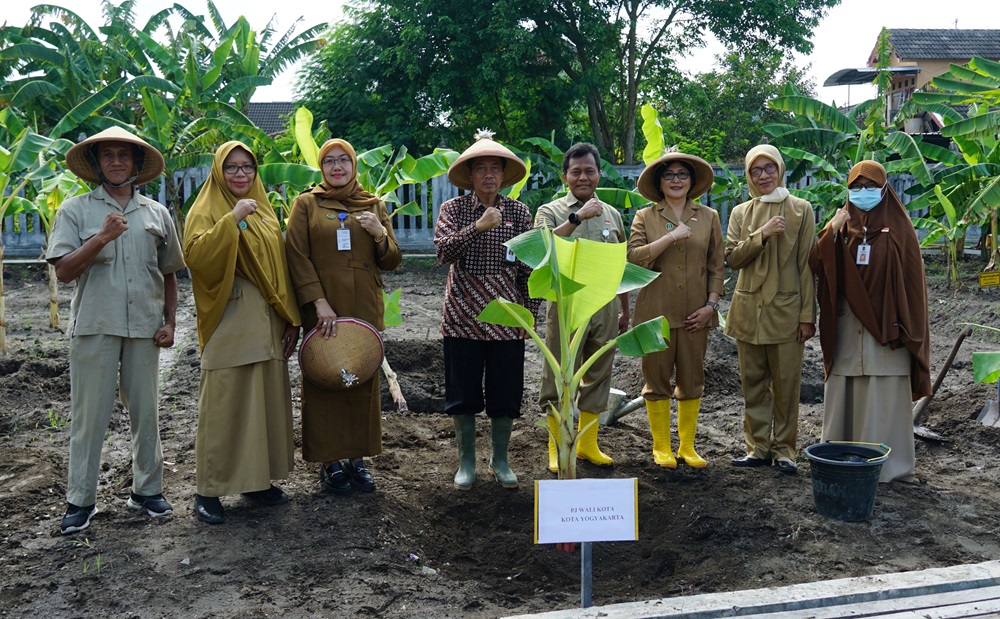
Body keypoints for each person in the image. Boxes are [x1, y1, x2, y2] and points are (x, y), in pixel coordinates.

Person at [47, 127, 185, 534]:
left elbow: (170, 273)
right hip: (96, 326)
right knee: (90, 416)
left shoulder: (157, 214)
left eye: (125, 155)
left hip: (144, 327)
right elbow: (65, 270)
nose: (117, 161)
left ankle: (147, 490)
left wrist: (171, 322)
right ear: (97, 164)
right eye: (108, 155)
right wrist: (102, 237)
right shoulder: (75, 210)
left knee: (146, 412)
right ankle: (80, 500)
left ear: (137, 165)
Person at [183, 141, 302, 524]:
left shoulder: (264, 209)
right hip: (229, 319)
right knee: (224, 404)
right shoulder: (207, 208)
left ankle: (256, 482)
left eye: (247, 167)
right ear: (219, 171)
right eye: (232, 167)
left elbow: (280, 268)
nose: (240, 174)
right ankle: (209, 489)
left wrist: (291, 318)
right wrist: (231, 220)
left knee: (263, 402)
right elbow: (196, 257)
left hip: (267, 321)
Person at [285, 139, 402, 495]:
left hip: (363, 305)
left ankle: (357, 459)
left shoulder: (373, 205)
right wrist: (317, 301)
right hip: (325, 307)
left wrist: (380, 234)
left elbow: (392, 260)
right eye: (329, 162)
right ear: (321, 168)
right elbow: (296, 255)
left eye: (344, 161)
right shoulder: (307, 203)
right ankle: (330, 461)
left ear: (354, 165)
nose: (337, 167)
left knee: (360, 380)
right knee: (325, 376)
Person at [810, 160, 931, 483]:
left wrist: (907, 327)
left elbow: (912, 285)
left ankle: (891, 467)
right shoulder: (840, 227)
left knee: (884, 396)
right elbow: (816, 264)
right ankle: (840, 459)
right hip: (848, 326)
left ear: (884, 189)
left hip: (888, 330)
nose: (863, 193)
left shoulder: (900, 229)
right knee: (845, 390)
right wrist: (832, 229)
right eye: (856, 188)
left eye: (870, 187)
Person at [434, 130, 540, 490]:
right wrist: (478, 227)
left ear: (504, 175)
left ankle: (500, 459)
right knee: (462, 392)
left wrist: (531, 313)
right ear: (470, 176)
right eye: (481, 169)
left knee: (505, 391)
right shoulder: (454, 209)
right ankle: (466, 462)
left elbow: (529, 267)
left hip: (507, 318)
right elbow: (443, 252)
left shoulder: (519, 212)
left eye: (496, 168)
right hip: (462, 314)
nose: (489, 175)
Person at [535, 142, 630, 472]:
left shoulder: (613, 215)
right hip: (566, 306)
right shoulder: (551, 210)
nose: (583, 177)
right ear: (565, 177)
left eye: (589, 170)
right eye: (576, 172)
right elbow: (542, 249)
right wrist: (577, 217)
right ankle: (556, 444)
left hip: (604, 304)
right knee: (557, 374)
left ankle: (588, 443)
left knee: (600, 372)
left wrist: (625, 309)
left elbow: (620, 265)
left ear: (599, 174)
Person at [627, 150, 724, 469]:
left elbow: (716, 266)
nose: (676, 180)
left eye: (683, 174)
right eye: (669, 175)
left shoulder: (709, 216)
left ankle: (687, 447)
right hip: (655, 314)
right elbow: (635, 258)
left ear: (692, 181)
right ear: (660, 182)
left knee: (692, 379)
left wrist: (711, 305)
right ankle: (662, 447)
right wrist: (671, 236)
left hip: (697, 314)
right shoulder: (646, 216)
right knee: (656, 381)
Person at [725, 144, 816, 475]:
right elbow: (732, 258)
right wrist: (761, 235)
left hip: (787, 312)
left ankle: (785, 450)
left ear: (780, 169)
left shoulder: (801, 210)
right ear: (749, 176)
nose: (763, 175)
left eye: (769, 168)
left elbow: (807, 266)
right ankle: (757, 448)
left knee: (787, 385)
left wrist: (808, 316)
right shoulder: (740, 213)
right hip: (748, 310)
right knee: (752, 383)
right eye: (755, 170)